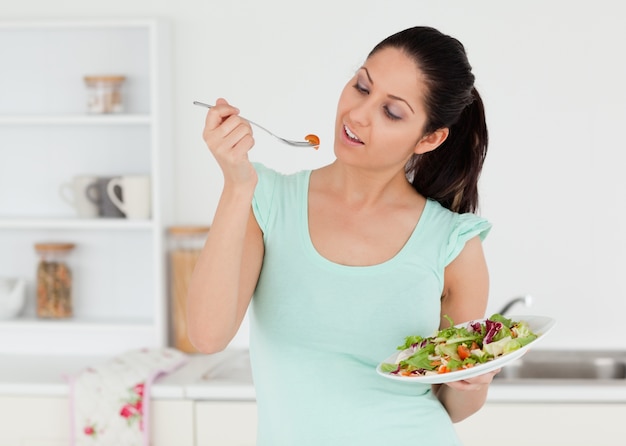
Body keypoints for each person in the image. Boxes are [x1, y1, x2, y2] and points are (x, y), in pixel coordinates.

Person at [188, 25, 497, 445]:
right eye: (361, 86)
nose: (357, 114)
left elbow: (454, 406)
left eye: (392, 112)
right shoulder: (267, 199)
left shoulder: (453, 242)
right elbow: (207, 336)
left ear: (430, 138)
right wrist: (237, 184)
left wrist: (473, 380)